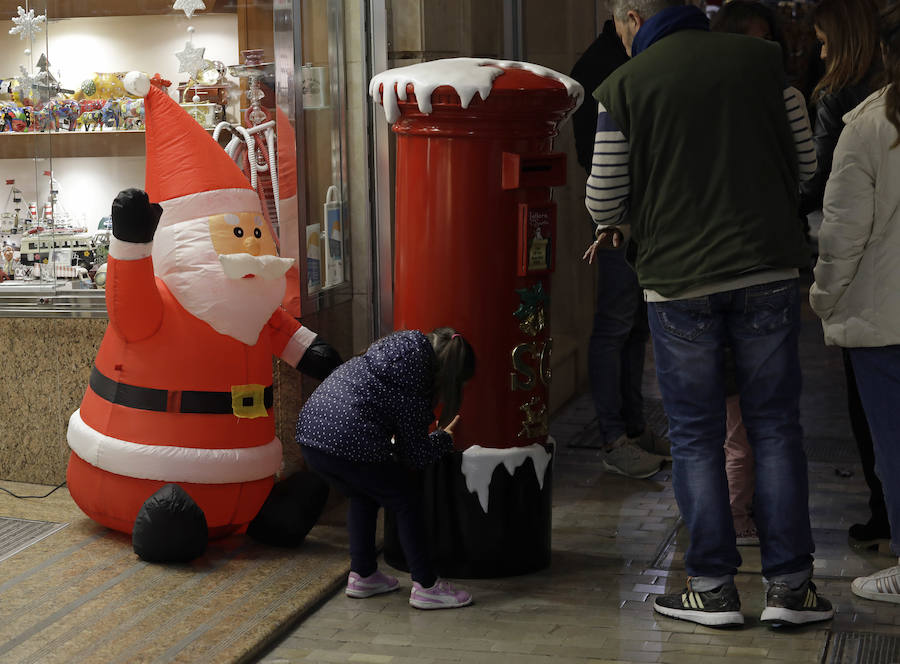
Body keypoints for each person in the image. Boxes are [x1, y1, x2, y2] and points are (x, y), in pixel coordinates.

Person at [586, 0, 833, 627]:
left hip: (678, 280)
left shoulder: (624, 85)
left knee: (696, 435)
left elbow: (603, 196)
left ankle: (713, 589)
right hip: (769, 269)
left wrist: (624, 218)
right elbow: (806, 165)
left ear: (634, 18)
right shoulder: (764, 62)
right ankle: (792, 590)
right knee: (775, 427)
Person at [65, 73, 343, 563]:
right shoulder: (163, 302)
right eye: (233, 235)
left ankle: (260, 509)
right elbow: (127, 305)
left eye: (253, 234)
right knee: (170, 510)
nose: (253, 252)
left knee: (251, 498)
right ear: (183, 240)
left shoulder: (252, 307)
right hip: (138, 467)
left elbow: (278, 328)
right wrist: (130, 245)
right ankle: (167, 517)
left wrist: (309, 351)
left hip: (245, 464)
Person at [810, 1, 900, 605]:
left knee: (894, 447)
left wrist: (821, 299)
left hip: (882, 318)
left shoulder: (868, 126)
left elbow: (842, 234)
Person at [296, 327, 475, 610]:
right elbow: (414, 455)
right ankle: (427, 586)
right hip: (348, 441)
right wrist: (444, 439)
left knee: (363, 492)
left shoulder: (389, 351)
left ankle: (364, 574)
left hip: (311, 435)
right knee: (405, 499)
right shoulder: (415, 382)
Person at [710, 0, 795, 549]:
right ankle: (741, 523)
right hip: (752, 275)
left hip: (713, 279)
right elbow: (805, 170)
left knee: (726, 431)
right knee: (745, 430)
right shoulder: (780, 99)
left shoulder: (700, 99)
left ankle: (729, 526)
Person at [572, 13, 669, 479]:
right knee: (616, 326)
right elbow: (594, 161)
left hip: (636, 220)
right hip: (617, 223)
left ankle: (631, 426)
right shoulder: (603, 67)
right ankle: (613, 436)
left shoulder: (632, 59)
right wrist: (611, 220)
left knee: (634, 329)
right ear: (630, 18)